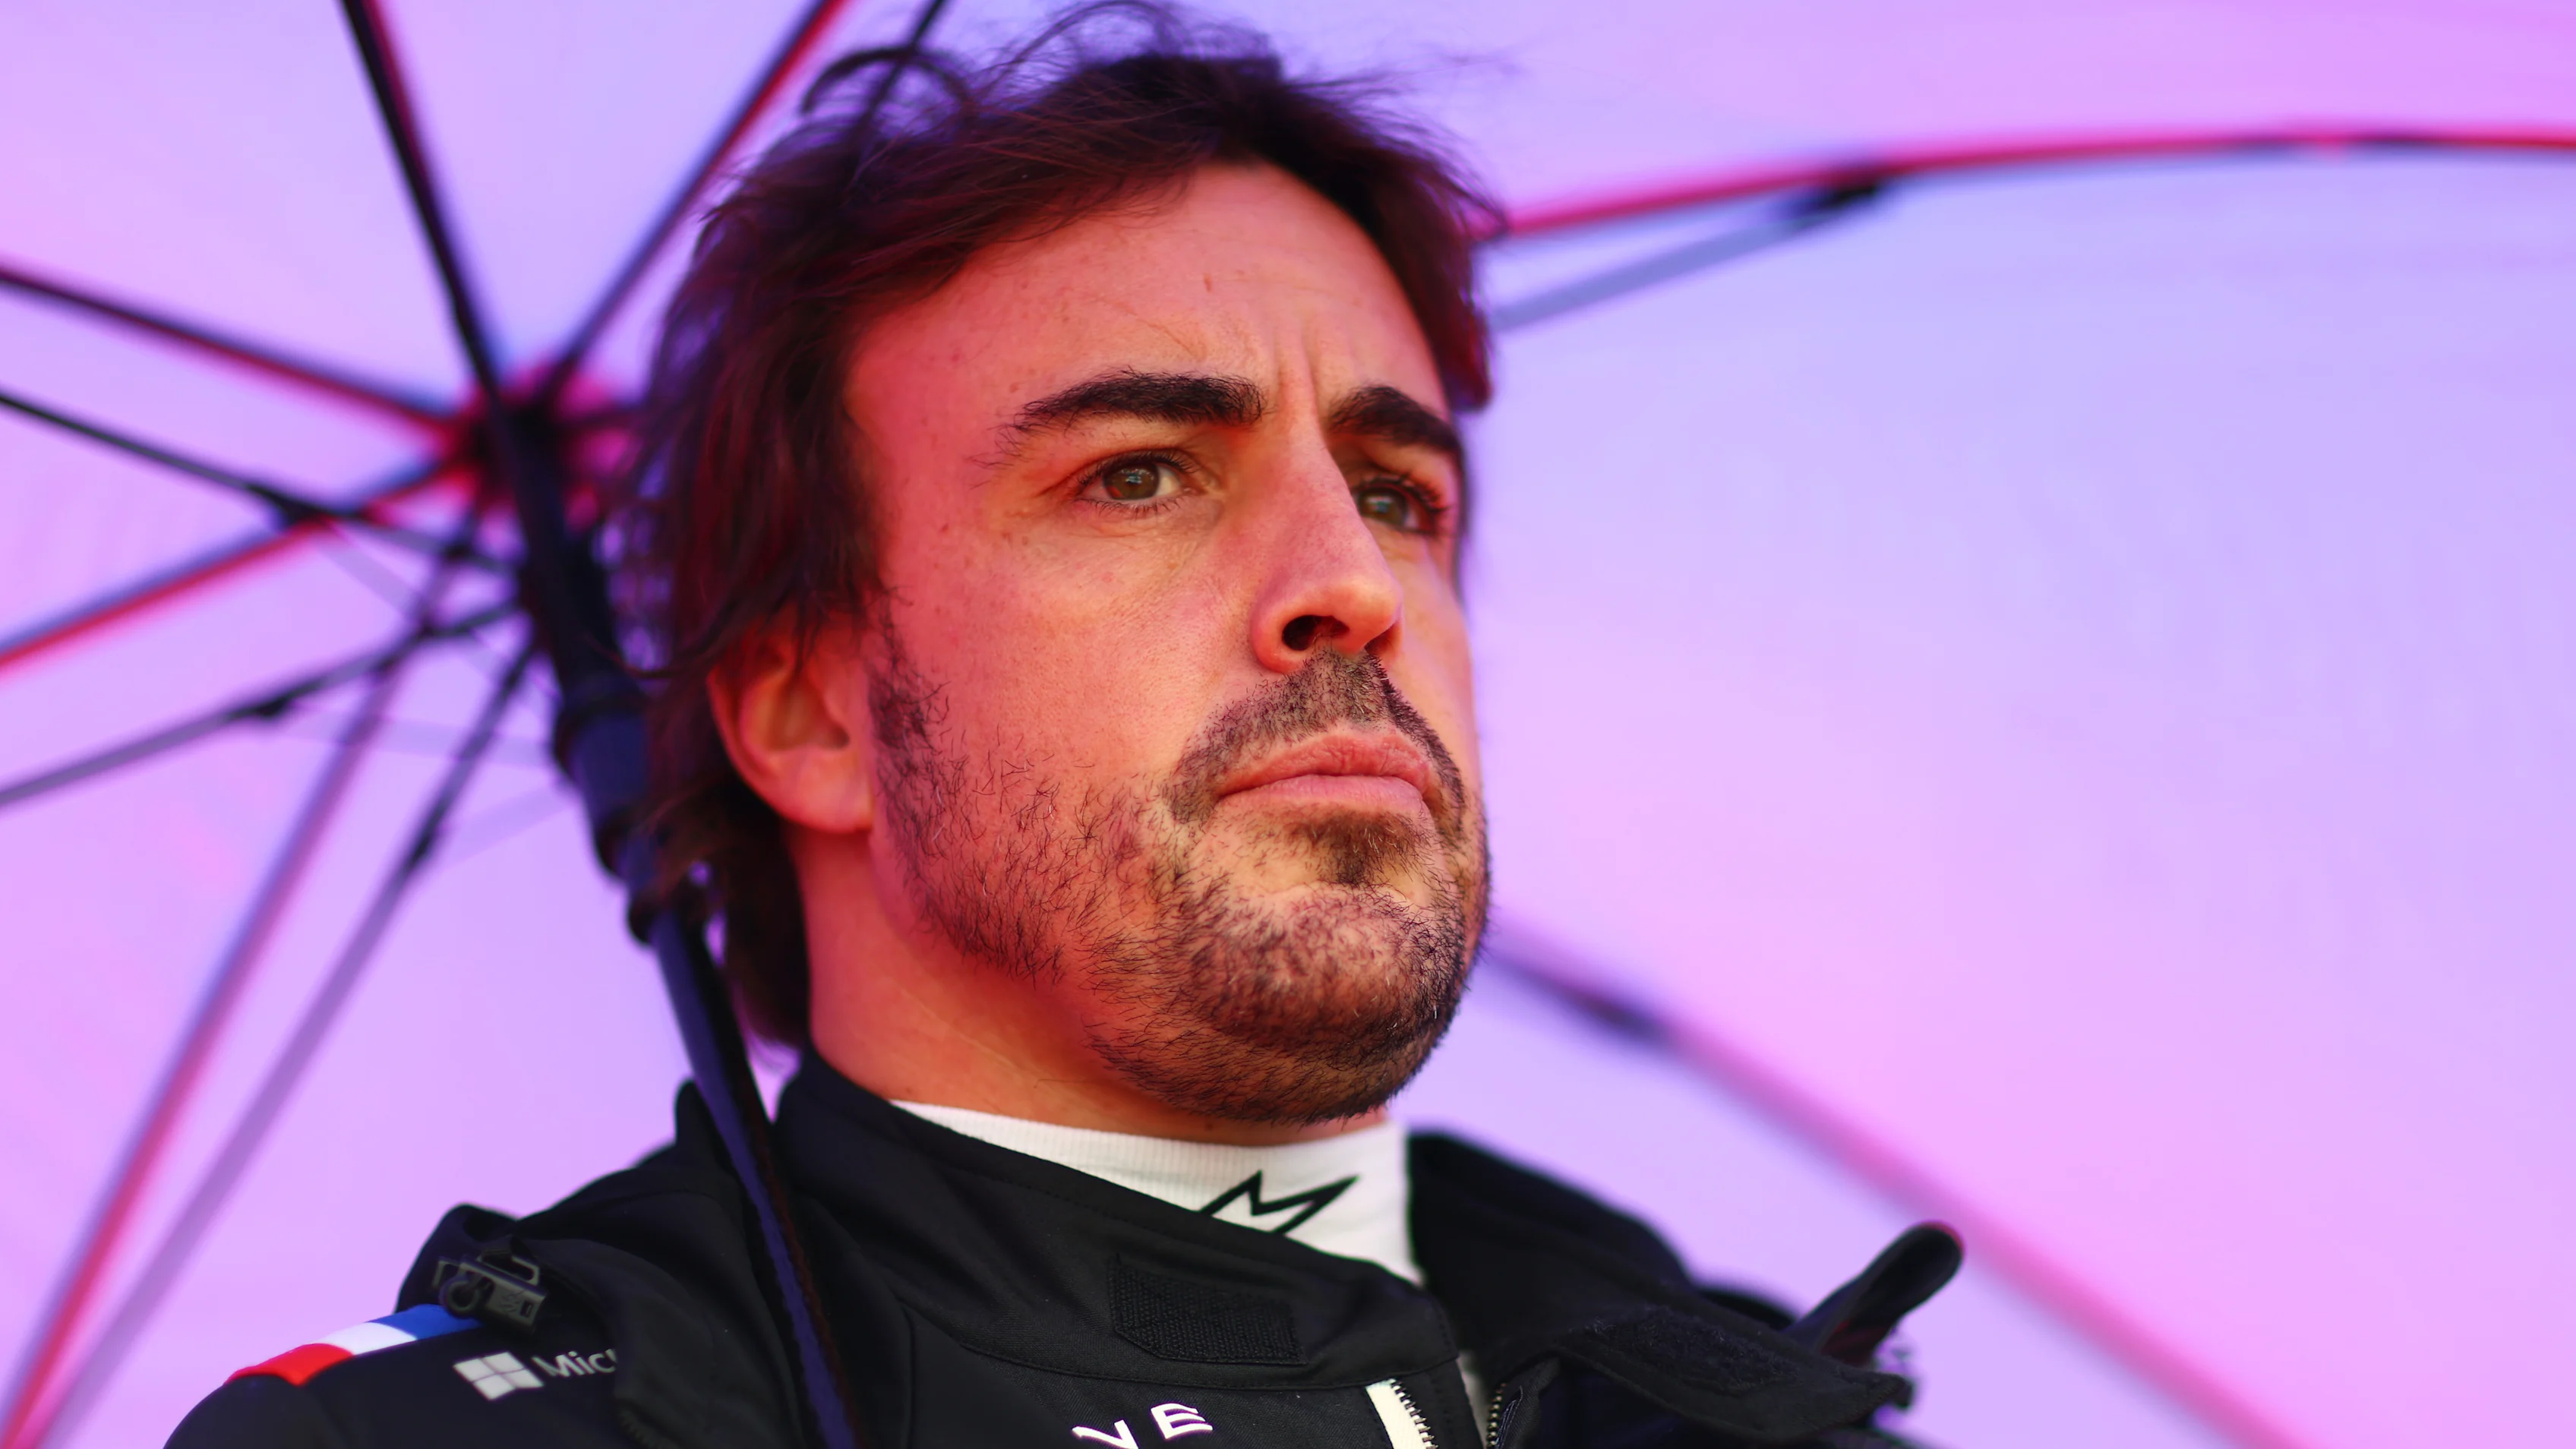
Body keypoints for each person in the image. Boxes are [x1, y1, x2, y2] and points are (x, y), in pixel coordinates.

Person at [172, 10, 1955, 1447]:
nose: (1353, 585)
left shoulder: (1711, 1379)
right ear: (809, 716)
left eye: (1400, 491)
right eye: (1140, 475)